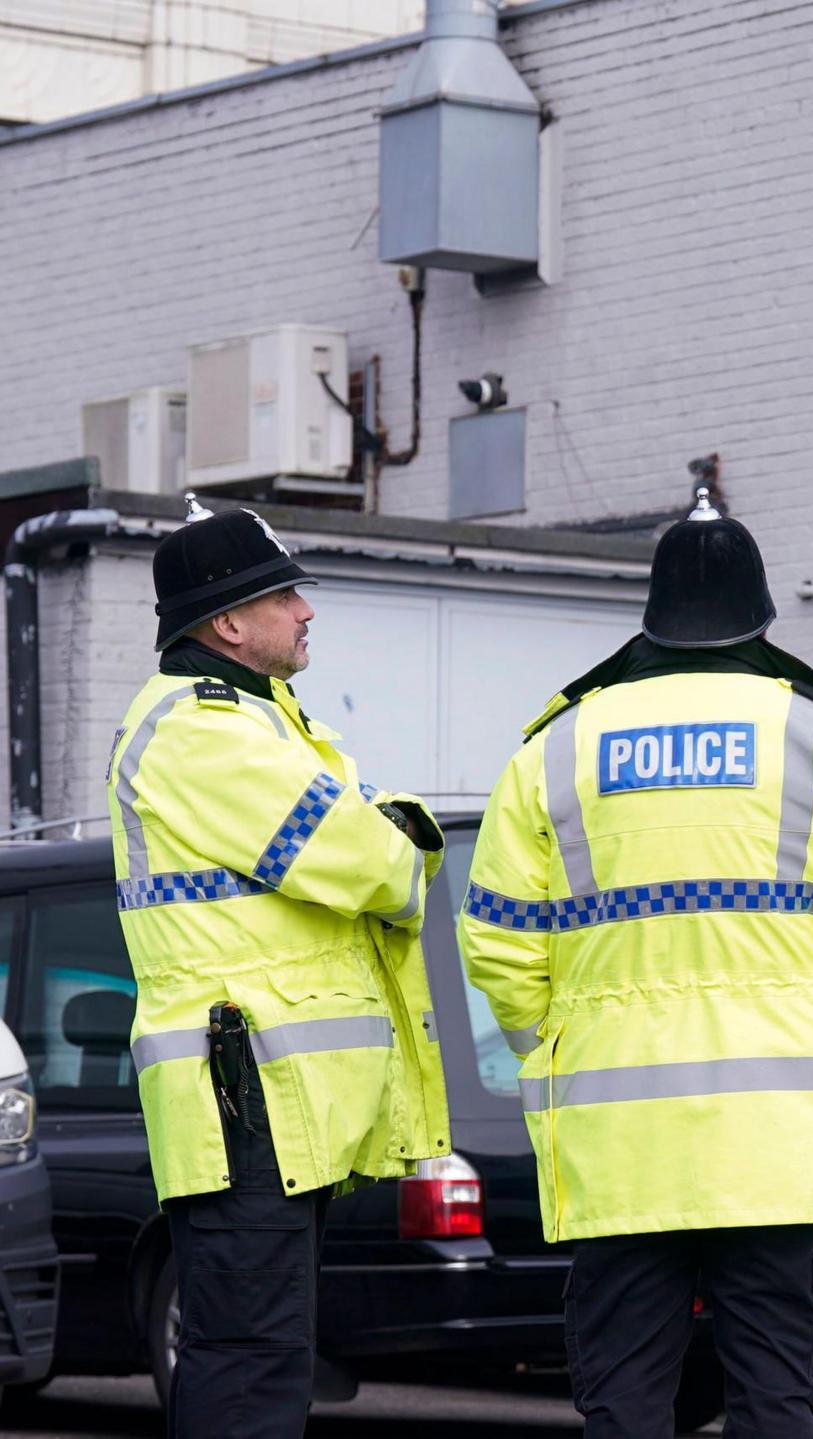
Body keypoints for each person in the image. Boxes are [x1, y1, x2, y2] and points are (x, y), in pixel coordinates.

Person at [459, 489, 813, 1439]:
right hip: (777, 1137)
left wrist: (554, 1044)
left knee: (627, 1398)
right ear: (762, 616)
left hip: (617, 1146)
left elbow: (499, 938)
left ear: (653, 613)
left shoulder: (554, 750)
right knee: (774, 1395)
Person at [107, 496, 449, 1439]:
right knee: (248, 1359)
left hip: (263, 1095)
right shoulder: (201, 729)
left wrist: (381, 836)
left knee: (263, 1354)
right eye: (285, 594)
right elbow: (375, 861)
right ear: (228, 623)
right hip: (243, 1095)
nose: (307, 610)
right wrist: (391, 837)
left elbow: (369, 849)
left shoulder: (260, 719)